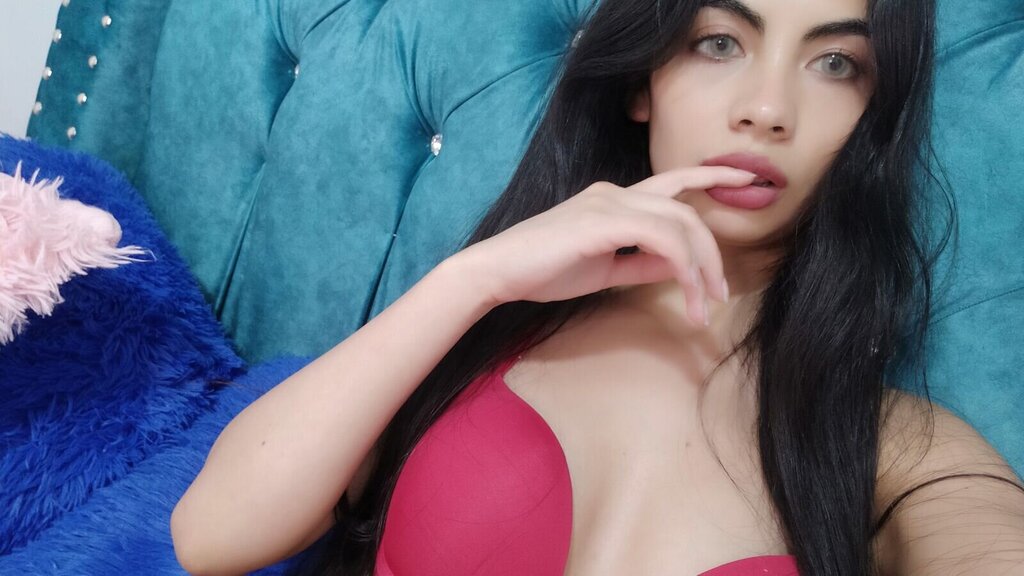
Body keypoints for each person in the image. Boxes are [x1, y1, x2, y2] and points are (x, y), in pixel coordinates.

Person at [170, 0, 1024, 574]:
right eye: (719, 42)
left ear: (873, 117)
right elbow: (211, 537)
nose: (767, 109)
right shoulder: (481, 331)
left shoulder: (894, 451)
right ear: (644, 82)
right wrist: (477, 278)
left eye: (835, 62)